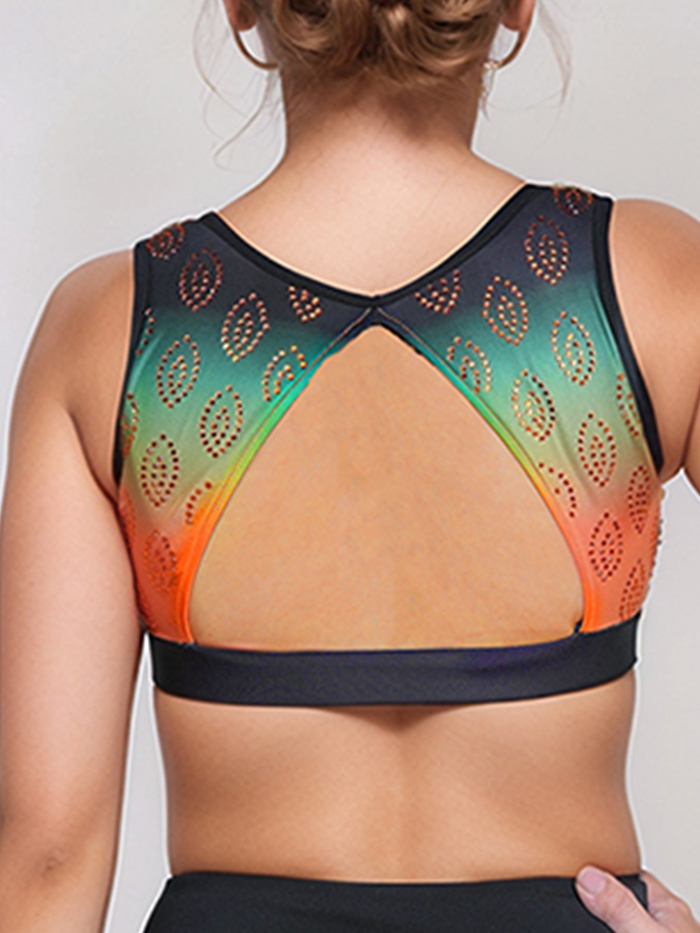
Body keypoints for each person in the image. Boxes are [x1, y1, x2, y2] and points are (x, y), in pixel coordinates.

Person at [1, 0, 699, 930]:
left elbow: (49, 856)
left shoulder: (116, 328)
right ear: (515, 9)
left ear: (243, 8)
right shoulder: (652, 283)